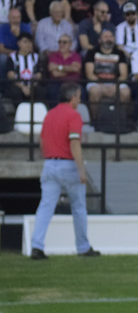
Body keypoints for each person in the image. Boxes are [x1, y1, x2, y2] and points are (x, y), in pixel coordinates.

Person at [30, 83, 100, 260]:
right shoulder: (73, 115)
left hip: (50, 163)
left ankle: (36, 246)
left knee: (45, 206)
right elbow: (74, 143)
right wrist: (81, 169)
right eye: (78, 96)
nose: (79, 99)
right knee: (78, 207)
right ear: (73, 97)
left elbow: (42, 142)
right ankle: (83, 247)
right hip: (68, 165)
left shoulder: (50, 114)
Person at [84, 27, 130, 115]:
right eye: (106, 37)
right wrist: (102, 85)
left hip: (116, 83)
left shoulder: (120, 53)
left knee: (125, 92)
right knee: (94, 91)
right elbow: (89, 74)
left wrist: (114, 86)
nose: (108, 39)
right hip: (97, 83)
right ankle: (95, 120)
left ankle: (123, 120)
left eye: (111, 36)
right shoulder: (92, 52)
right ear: (99, 40)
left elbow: (124, 75)